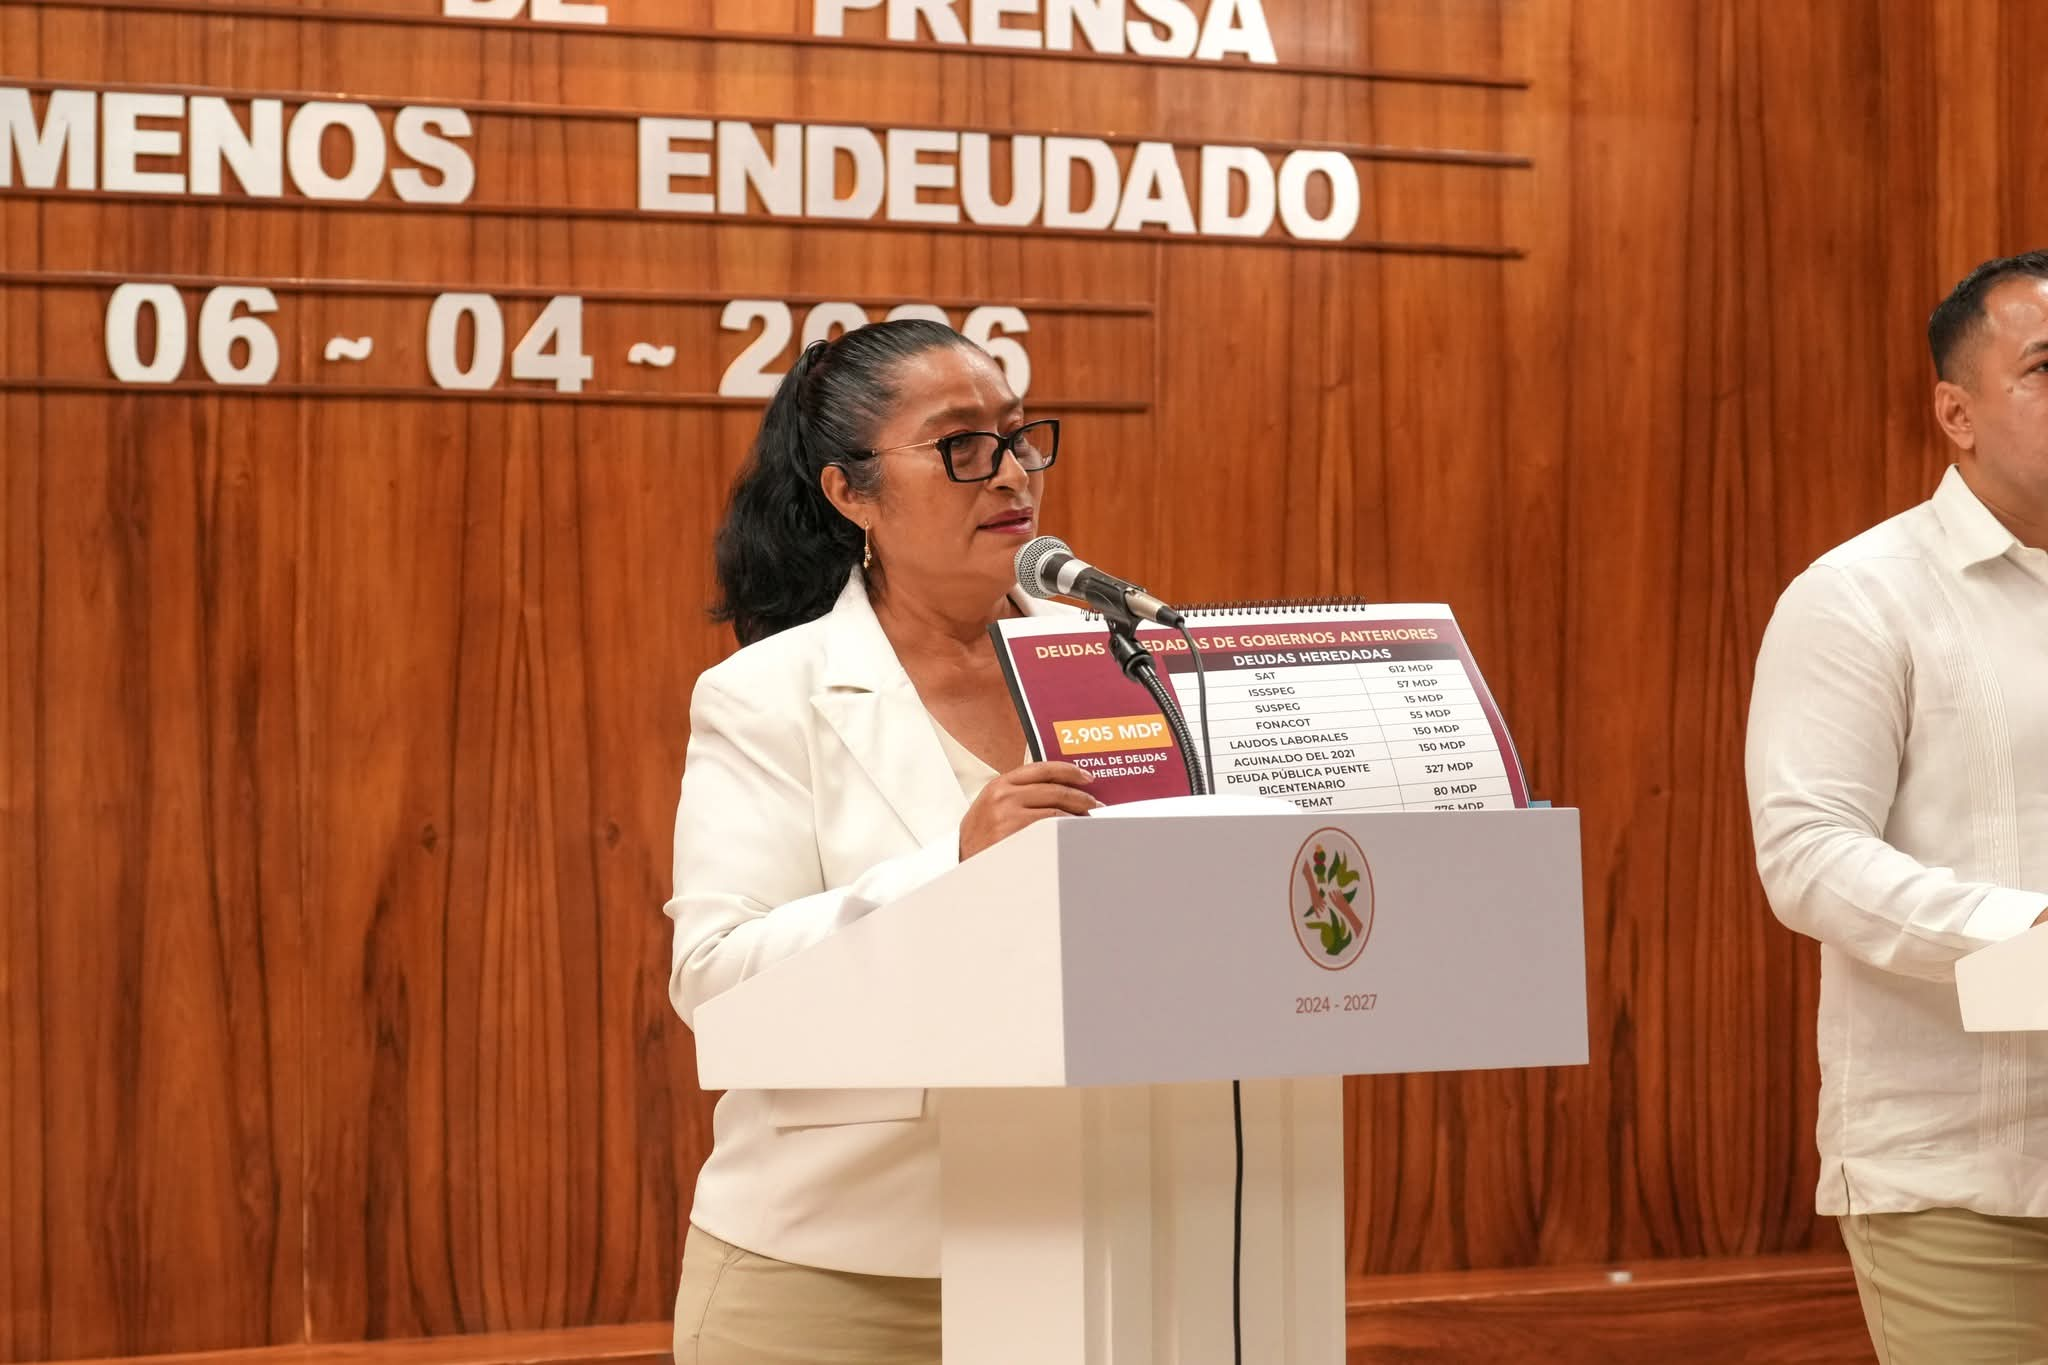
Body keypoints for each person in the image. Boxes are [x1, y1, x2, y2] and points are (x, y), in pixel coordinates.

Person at [662, 319, 1100, 1364]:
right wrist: (954, 868)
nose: (1010, 473)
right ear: (849, 492)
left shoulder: (1110, 665)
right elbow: (714, 981)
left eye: (1017, 436)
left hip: (1088, 1250)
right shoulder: (765, 696)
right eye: (961, 446)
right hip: (837, 1272)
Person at [1746, 251, 2048, 1362]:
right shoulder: (1858, 595)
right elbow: (1807, 855)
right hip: (1958, 1176)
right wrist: (2027, 935)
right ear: (1955, 413)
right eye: (2045, 367)